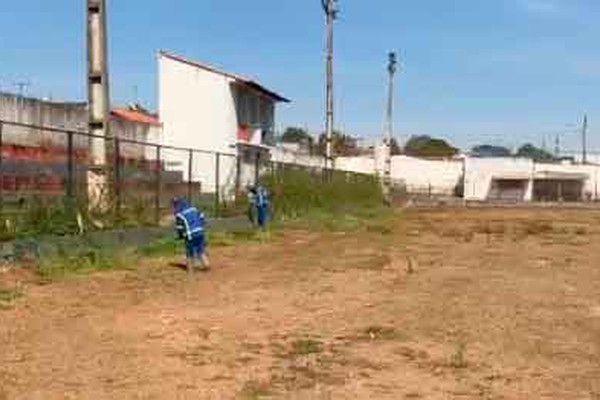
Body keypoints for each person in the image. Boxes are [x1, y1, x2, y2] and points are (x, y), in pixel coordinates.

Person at [172, 197, 210, 273]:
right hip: (200, 232)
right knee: (200, 250)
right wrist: (201, 224)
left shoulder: (179, 214)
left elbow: (180, 227)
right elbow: (202, 215)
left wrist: (180, 236)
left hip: (190, 235)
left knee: (189, 252)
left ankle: (190, 269)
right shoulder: (193, 209)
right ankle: (206, 265)